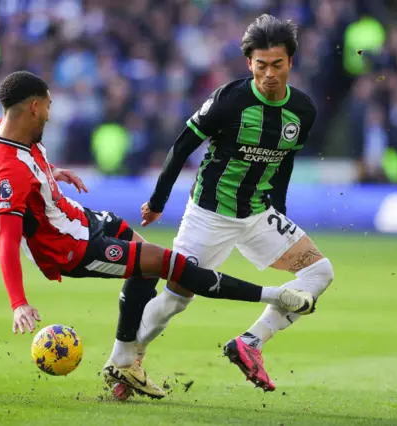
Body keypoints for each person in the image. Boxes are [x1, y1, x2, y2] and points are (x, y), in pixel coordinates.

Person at [0, 70, 316, 400]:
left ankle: (124, 362)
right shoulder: (8, 171)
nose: (51, 115)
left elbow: (27, 168)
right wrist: (18, 303)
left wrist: (52, 174)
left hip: (78, 218)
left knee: (144, 263)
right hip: (68, 247)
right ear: (35, 107)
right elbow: (6, 239)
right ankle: (275, 296)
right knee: (168, 264)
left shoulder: (2, 130)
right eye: (49, 106)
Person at [135, 14, 335, 392]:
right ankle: (127, 359)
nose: (269, 74)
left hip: (258, 215)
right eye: (261, 66)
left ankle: (249, 343)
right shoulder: (230, 99)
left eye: (278, 65)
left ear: (291, 61)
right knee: (176, 300)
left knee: (319, 273)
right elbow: (182, 147)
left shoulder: (303, 111)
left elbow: (284, 159)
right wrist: (157, 201)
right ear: (250, 64)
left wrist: (280, 209)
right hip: (208, 216)